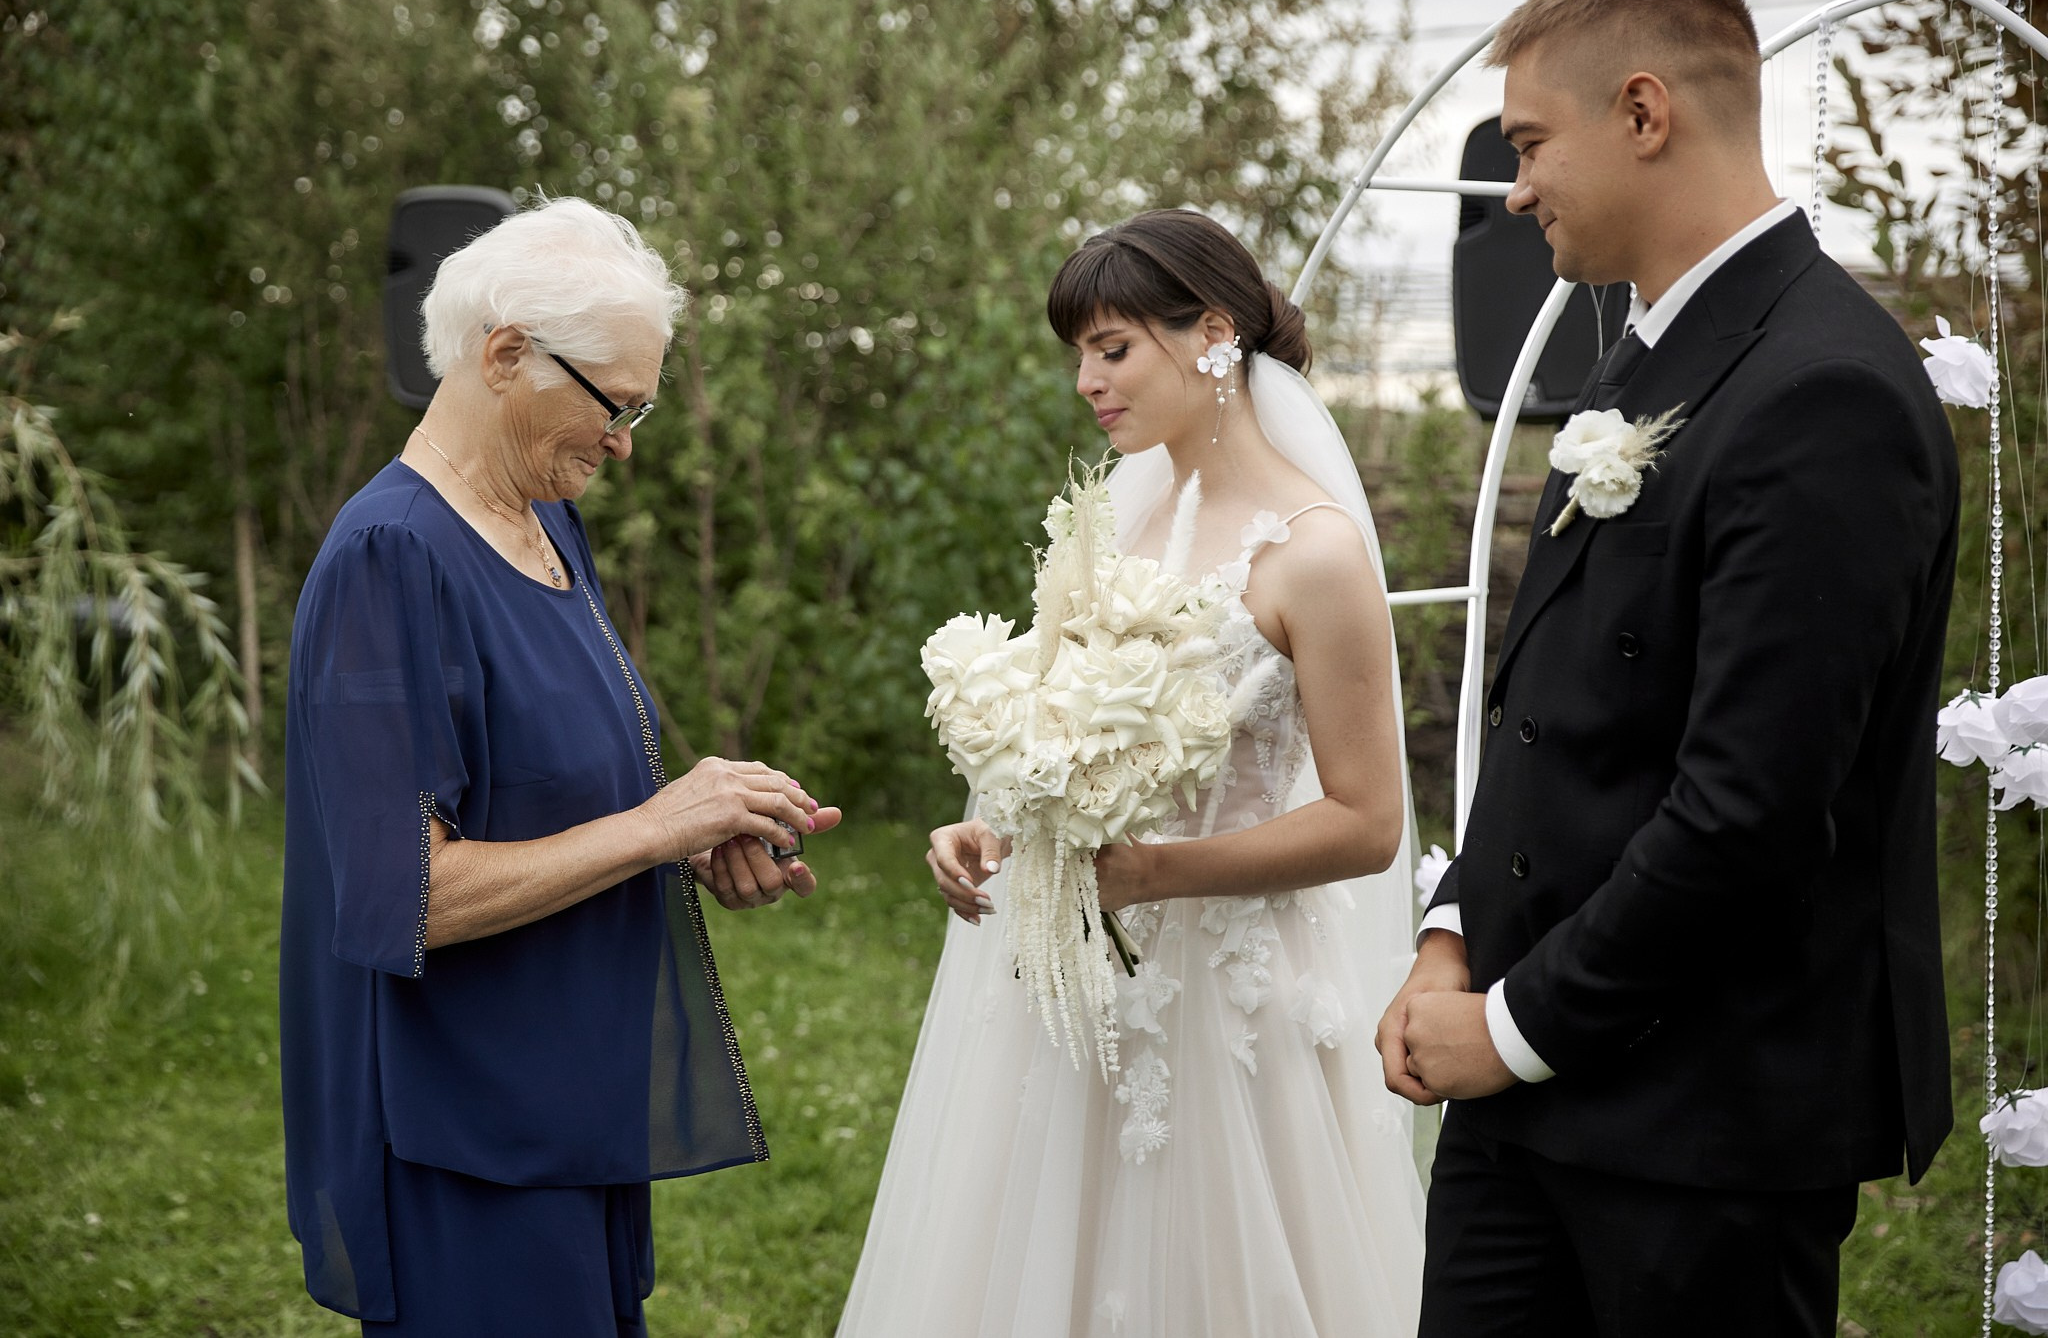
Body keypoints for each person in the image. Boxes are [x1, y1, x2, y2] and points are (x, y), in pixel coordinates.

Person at [1375, 0, 1957, 1333]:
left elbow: (1747, 813)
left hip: (1701, 1134)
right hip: (1524, 1104)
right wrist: (1455, 934)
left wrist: (1510, 1029)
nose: (1515, 193)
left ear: (1643, 113)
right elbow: (1558, 720)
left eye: (1527, 144)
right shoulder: (1647, 357)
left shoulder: (1827, 392)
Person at [837, 208, 1426, 1337]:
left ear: (1211, 335)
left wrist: (1155, 872)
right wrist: (998, 827)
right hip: (1069, 990)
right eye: (1079, 355)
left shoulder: (1314, 554)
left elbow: (1365, 822)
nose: (1085, 383)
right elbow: (1077, 748)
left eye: (1110, 349)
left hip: (1226, 997)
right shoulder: (1108, 524)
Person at [279, 196, 840, 1337]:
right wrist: (655, 826)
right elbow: (411, 895)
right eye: (615, 404)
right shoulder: (391, 558)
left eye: (641, 406)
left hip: (568, 1093)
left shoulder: (545, 522)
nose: (627, 439)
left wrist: (694, 834)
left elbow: (552, 791)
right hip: (461, 1131)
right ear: (502, 357)